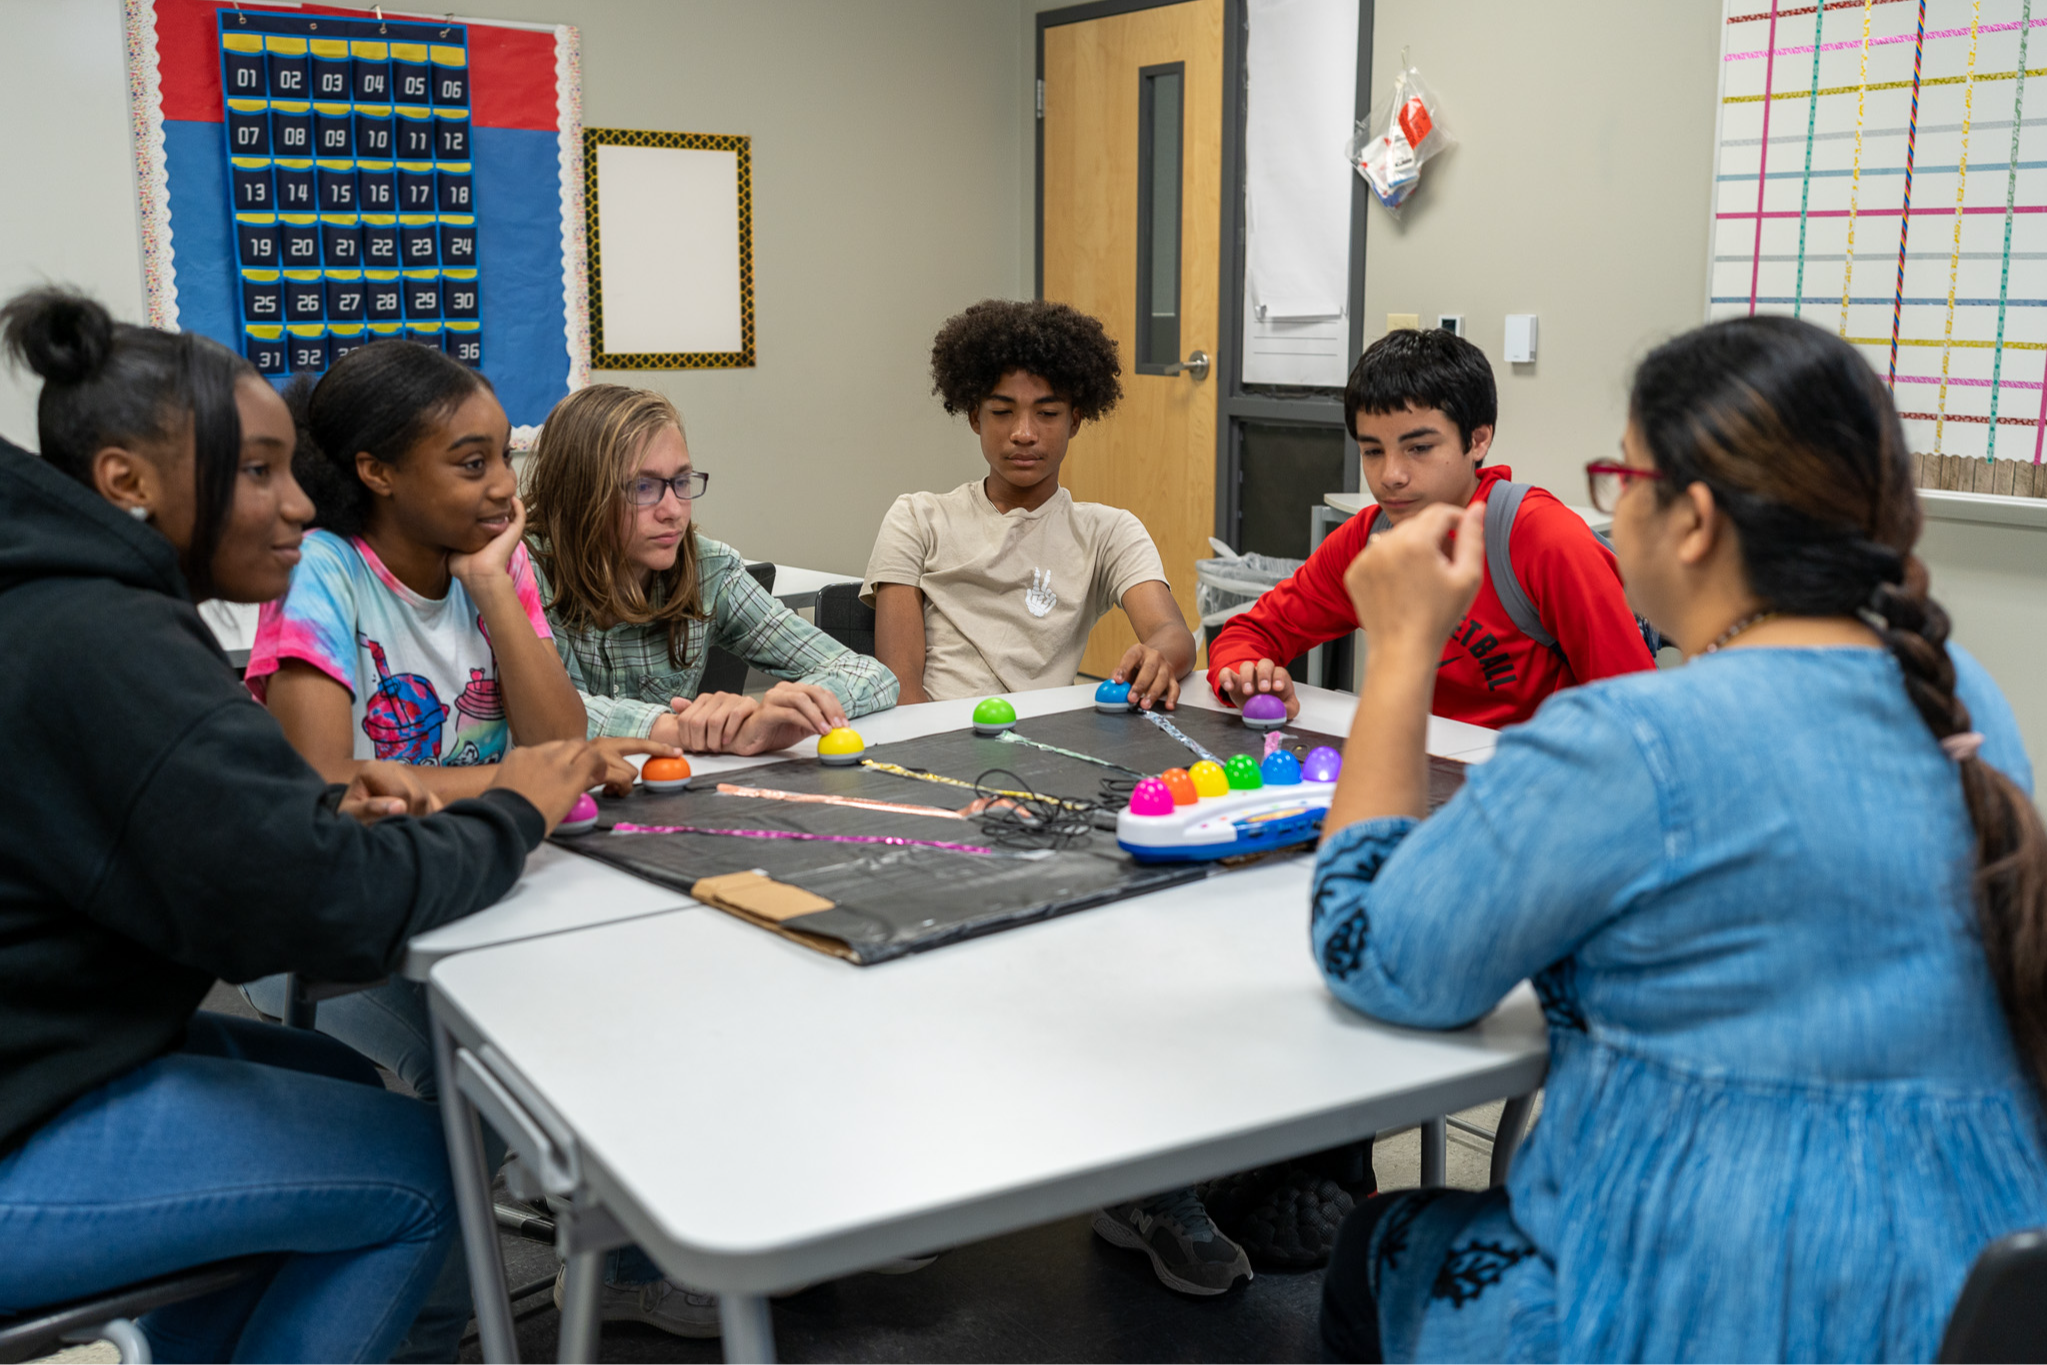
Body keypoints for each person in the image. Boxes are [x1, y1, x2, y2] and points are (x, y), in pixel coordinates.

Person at [1312, 316, 2047, 1364]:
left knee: (1378, 1246)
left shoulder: (1631, 741)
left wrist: (1396, 655)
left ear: (1691, 520)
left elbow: (1375, 958)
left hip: (1716, 1300)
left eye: (1622, 478)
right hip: (1971, 1284)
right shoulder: (1961, 697)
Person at [0, 288, 607, 1365]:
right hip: (26, 1120)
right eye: (256, 470)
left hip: (53, 1047)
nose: (294, 504)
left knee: (331, 1085)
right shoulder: (102, 641)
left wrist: (303, 817)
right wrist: (511, 810)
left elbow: (225, 849)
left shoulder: (65, 604)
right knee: (423, 1173)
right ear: (125, 482)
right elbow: (321, 911)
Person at [238, 341, 672, 1361]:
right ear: (376, 472)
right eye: (468, 463)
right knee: (472, 1070)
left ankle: (639, 1267)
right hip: (336, 919)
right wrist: (510, 786)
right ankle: (425, 1332)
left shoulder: (496, 561)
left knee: (625, 1008)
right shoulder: (321, 578)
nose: (502, 490)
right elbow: (327, 788)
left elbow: (557, 743)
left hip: (469, 881)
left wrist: (488, 587)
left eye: (502, 460)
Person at [1207, 327, 1654, 726]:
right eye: (1373, 451)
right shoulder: (1368, 540)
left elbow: (1639, 710)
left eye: (1418, 447)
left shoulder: (1542, 537)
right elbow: (1250, 633)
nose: (1391, 475)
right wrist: (1248, 675)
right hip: (1418, 771)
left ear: (1478, 440)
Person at [525, 383, 897, 757]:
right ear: (579, 492)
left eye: (682, 482)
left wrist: (784, 709)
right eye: (643, 486)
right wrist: (681, 730)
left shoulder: (709, 570)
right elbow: (541, 720)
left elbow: (869, 674)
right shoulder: (524, 570)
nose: (673, 510)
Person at [864, 299, 1195, 708]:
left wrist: (1157, 655)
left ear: (1075, 420)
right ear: (974, 417)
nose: (1023, 433)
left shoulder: (1108, 533)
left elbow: (1172, 632)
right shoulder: (917, 519)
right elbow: (901, 690)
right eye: (1002, 411)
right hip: (935, 740)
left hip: (1046, 743)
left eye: (1048, 413)